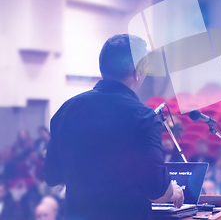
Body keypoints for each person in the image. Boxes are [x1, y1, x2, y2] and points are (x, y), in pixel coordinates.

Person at [44, 34, 184, 220]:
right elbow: (156, 189)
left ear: (103, 67)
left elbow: (52, 176)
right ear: (138, 71)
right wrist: (171, 191)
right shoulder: (143, 117)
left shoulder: (66, 111)